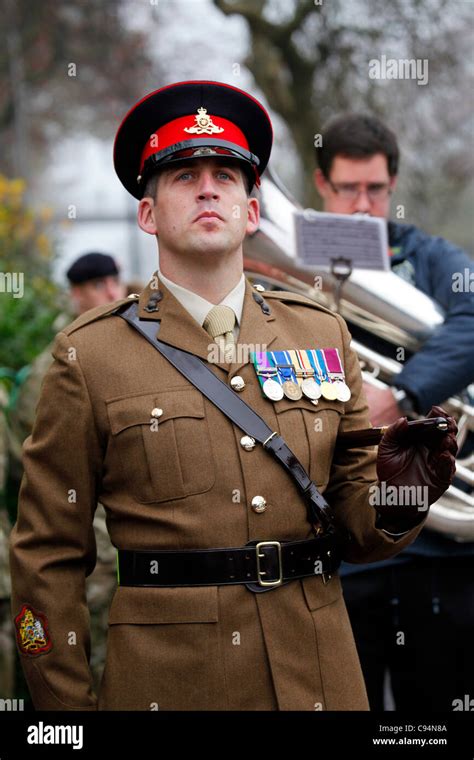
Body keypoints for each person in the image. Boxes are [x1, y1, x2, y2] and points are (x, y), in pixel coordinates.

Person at [9, 82, 457, 712]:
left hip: (320, 681)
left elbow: (356, 525)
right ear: (148, 213)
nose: (208, 188)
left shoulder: (320, 329)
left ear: (251, 211)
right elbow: (47, 558)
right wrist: (67, 717)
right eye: (183, 175)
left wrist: (403, 495)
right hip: (171, 686)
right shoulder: (89, 357)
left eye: (225, 174)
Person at [314, 113, 474, 710]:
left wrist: (402, 393)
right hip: (343, 545)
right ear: (321, 185)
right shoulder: (290, 271)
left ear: (393, 186)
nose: (361, 205)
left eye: (375, 189)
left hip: (436, 554)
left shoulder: (431, 257)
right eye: (347, 188)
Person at [5, 252, 126, 698]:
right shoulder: (53, 368)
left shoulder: (128, 353)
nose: (112, 293)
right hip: (85, 542)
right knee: (89, 655)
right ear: (76, 295)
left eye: (113, 282)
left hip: (125, 548)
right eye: (99, 286)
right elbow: (38, 475)